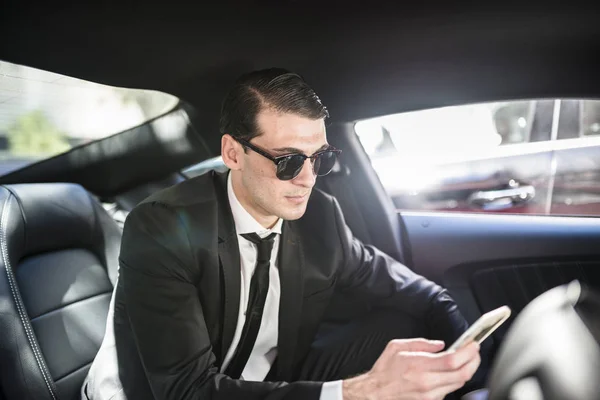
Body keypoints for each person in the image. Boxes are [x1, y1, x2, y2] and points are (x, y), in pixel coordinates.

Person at [82, 68, 481, 400]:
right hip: (157, 394)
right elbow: (187, 391)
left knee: (405, 330)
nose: (307, 180)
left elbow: (407, 289)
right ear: (233, 153)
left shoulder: (320, 217)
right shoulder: (162, 227)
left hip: (266, 380)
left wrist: (469, 348)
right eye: (289, 161)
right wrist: (355, 391)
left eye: (319, 159)